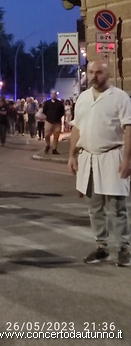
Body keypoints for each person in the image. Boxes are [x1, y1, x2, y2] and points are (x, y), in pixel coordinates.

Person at [68, 61, 131, 267]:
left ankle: (123, 247)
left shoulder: (120, 97)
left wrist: (127, 159)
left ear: (108, 74)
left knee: (117, 207)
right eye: (91, 72)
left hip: (112, 156)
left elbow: (128, 128)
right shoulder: (83, 98)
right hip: (88, 158)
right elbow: (76, 128)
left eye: (99, 72)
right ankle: (101, 247)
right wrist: (72, 155)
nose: (94, 76)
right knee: (94, 208)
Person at [43, 90, 65, 155]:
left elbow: (62, 112)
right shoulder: (46, 103)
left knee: (56, 136)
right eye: (52, 94)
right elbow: (44, 111)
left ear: (56, 95)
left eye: (54, 94)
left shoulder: (60, 103)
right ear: (50, 95)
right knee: (47, 134)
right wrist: (49, 116)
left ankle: (54, 149)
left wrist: (58, 117)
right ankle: (48, 145)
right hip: (49, 121)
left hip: (57, 122)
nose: (53, 95)